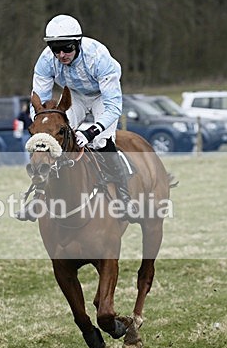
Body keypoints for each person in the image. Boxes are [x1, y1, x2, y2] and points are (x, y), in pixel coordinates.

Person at [17, 14, 138, 222]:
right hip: (75, 97)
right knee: (54, 139)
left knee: (100, 141)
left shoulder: (99, 58)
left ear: (77, 43)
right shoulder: (46, 61)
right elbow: (39, 104)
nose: (61, 54)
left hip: (102, 97)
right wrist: (42, 133)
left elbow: (113, 106)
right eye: (56, 49)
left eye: (67, 48)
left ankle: (124, 197)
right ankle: (38, 198)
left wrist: (90, 131)